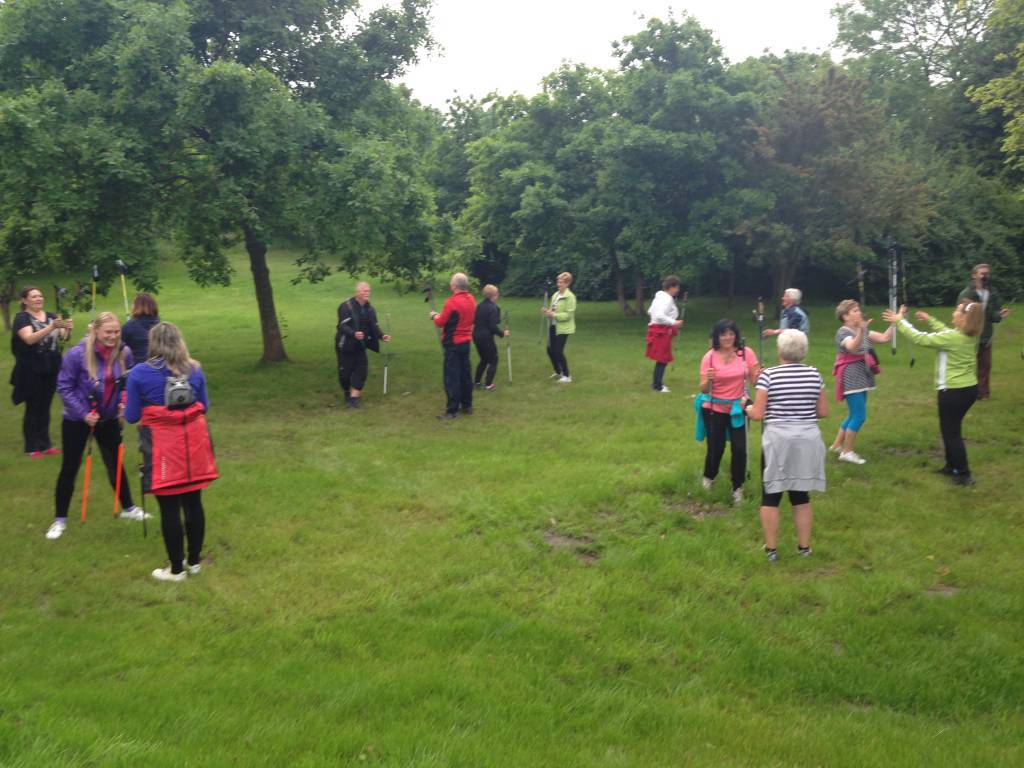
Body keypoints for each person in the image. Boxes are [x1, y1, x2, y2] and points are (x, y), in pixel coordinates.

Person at [126, 322, 217, 581]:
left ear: (152, 343)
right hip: (193, 445)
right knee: (193, 502)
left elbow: (131, 415)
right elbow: (204, 405)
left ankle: (176, 569)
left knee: (169, 508)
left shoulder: (139, 373)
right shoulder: (195, 369)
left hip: (162, 447)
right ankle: (194, 562)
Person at [46, 312, 147, 540]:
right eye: (108, 332)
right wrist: (83, 414)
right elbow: (64, 387)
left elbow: (127, 383)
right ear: (96, 331)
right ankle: (60, 519)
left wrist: (123, 401)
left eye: (116, 332)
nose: (113, 336)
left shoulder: (124, 352)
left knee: (115, 463)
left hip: (108, 418)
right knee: (70, 467)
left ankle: (128, 508)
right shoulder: (77, 354)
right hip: (77, 419)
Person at [744, 329, 828, 562]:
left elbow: (758, 414)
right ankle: (804, 548)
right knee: (801, 495)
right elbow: (823, 411)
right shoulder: (814, 374)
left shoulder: (769, 376)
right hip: (807, 440)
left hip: (778, 441)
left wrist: (747, 406)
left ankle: (771, 550)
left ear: (780, 350)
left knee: (771, 495)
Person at [883, 300, 985, 485]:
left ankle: (963, 474)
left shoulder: (953, 338)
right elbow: (946, 332)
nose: (953, 313)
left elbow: (920, 338)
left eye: (957, 311)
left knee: (951, 433)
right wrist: (930, 320)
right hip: (968, 390)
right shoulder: (967, 336)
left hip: (953, 392)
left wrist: (899, 321)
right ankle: (951, 467)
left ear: (964, 318)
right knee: (951, 430)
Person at [697, 319, 760, 505]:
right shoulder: (709, 357)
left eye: (731, 334)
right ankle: (709, 477)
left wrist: (760, 375)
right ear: (717, 336)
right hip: (714, 407)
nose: (728, 337)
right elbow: (703, 389)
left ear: (736, 335)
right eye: (723, 334)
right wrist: (708, 380)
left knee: (740, 448)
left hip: (739, 407)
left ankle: (737, 487)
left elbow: (755, 382)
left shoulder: (746, 353)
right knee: (716, 447)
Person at [828, 299, 894, 465]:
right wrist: (862, 331)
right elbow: (852, 347)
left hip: (862, 375)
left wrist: (896, 322)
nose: (859, 312)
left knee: (853, 414)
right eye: (854, 310)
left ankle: (836, 446)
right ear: (845, 316)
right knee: (859, 416)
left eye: (858, 309)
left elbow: (885, 338)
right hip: (851, 376)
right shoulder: (843, 332)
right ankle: (847, 452)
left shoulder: (861, 330)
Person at [11, 286, 72, 457]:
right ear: (24, 300)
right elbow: (29, 339)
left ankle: (45, 445)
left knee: (45, 406)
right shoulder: (22, 318)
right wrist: (51, 327)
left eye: (40, 296)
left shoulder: (51, 316)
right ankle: (31, 447)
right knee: (33, 406)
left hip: (50, 367)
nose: (39, 299)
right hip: (31, 369)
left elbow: (63, 338)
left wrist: (68, 329)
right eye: (34, 296)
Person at [957, 263, 1011, 400]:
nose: (985, 276)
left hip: (986, 334)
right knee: (967, 364)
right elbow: (960, 312)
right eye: (982, 273)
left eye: (987, 273)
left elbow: (992, 313)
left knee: (985, 364)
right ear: (974, 275)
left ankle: (983, 393)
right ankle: (966, 391)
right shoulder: (966, 293)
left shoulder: (991, 292)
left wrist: (1000, 315)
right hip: (969, 333)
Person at [335, 282, 390, 409]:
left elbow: (374, 326)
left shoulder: (370, 309)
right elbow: (341, 326)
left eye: (369, 291)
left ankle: (354, 399)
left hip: (360, 346)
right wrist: (353, 333)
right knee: (344, 375)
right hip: (345, 346)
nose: (367, 293)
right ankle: (347, 392)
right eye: (364, 291)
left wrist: (382, 336)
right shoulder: (346, 307)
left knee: (361, 372)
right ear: (357, 292)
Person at [430, 273, 476, 419]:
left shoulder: (451, 302)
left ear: (455, 286)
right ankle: (467, 405)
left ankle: (452, 410)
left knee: (452, 377)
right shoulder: (471, 299)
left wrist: (434, 316)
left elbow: (440, 322)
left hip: (453, 344)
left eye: (451, 282)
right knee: (465, 374)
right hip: (466, 342)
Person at [646, 275, 684, 393]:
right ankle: (657, 386)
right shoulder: (667, 299)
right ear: (671, 287)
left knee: (662, 358)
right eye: (677, 287)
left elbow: (650, 311)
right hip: (661, 332)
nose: (678, 290)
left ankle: (657, 383)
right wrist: (674, 322)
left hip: (657, 330)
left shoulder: (660, 297)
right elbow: (658, 315)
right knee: (662, 358)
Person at [473, 284, 509, 391]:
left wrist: (498, 317)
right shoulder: (494, 308)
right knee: (493, 359)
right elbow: (493, 326)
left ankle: (477, 382)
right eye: (497, 293)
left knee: (484, 359)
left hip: (476, 335)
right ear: (494, 295)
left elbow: (480, 320)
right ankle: (488, 384)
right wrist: (502, 333)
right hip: (485, 337)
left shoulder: (479, 306)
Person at [543, 271, 576, 383]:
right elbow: (553, 310)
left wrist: (553, 315)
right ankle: (558, 372)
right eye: (558, 282)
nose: (558, 284)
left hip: (564, 328)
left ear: (567, 283)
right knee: (549, 349)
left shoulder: (570, 297)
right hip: (553, 326)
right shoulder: (555, 295)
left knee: (558, 351)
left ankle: (567, 376)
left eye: (561, 282)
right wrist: (547, 312)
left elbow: (568, 315)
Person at [120, 293, 160, 363]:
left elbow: (119, 347)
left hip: (137, 366)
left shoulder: (130, 326)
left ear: (137, 306)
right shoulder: (162, 327)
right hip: (159, 365)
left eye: (133, 304)